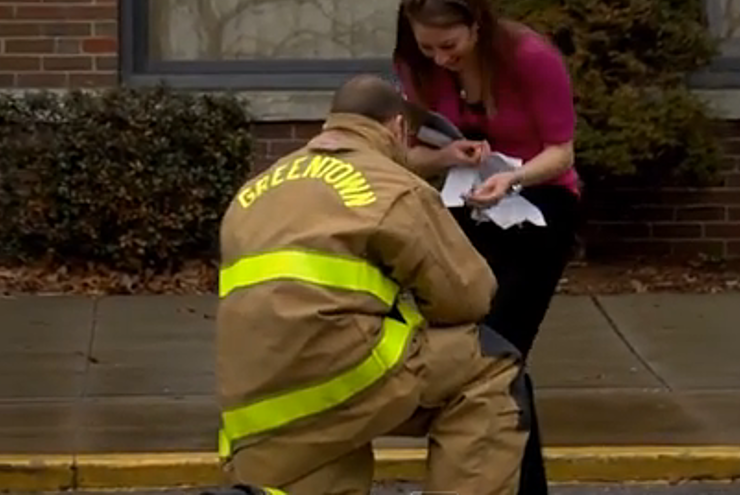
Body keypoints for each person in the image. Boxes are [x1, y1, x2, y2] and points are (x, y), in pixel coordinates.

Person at [215, 74, 530, 495]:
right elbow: (466, 298)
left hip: (254, 400)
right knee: (490, 365)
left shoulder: (256, 189)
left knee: (325, 445)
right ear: (397, 127)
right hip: (343, 378)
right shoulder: (393, 187)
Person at [393, 0, 582, 494]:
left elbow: (561, 152)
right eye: (428, 48)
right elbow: (404, 152)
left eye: (449, 45)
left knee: (497, 352)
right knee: (474, 357)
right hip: (462, 199)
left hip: (538, 203)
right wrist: (445, 155)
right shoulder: (414, 65)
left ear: (477, 24)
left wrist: (512, 178)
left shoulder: (530, 57)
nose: (440, 59)